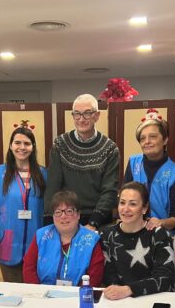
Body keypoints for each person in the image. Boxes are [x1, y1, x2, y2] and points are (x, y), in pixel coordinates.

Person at [0, 124, 47, 282]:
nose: (22, 147)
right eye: (17, 143)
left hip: (38, 244)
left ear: (33, 147)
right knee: (13, 288)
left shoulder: (44, 175)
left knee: (36, 290)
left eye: (27, 143)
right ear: (11, 146)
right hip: (8, 243)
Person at [124, 109, 175, 266]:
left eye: (153, 136)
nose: (147, 141)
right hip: (134, 235)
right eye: (142, 138)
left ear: (165, 139)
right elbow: (124, 197)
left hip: (164, 238)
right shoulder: (133, 164)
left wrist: (161, 222)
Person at [44, 93, 119, 231]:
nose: (81, 119)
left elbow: (110, 190)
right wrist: (50, 222)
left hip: (99, 220)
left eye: (87, 113)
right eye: (77, 114)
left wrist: (94, 223)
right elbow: (53, 186)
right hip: (66, 217)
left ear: (97, 116)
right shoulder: (60, 145)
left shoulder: (110, 149)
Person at [100, 182, 175, 300]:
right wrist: (119, 293)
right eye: (122, 203)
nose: (125, 209)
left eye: (133, 204)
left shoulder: (159, 234)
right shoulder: (107, 234)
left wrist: (129, 290)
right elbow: (108, 275)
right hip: (120, 300)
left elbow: (165, 278)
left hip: (154, 298)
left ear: (144, 208)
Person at [23, 190, 104, 286]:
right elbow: (29, 268)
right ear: (53, 216)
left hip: (79, 293)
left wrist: (77, 293)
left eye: (69, 211)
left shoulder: (91, 240)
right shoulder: (41, 236)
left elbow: (95, 277)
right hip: (43, 292)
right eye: (58, 212)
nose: (63, 216)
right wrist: (39, 292)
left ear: (78, 214)